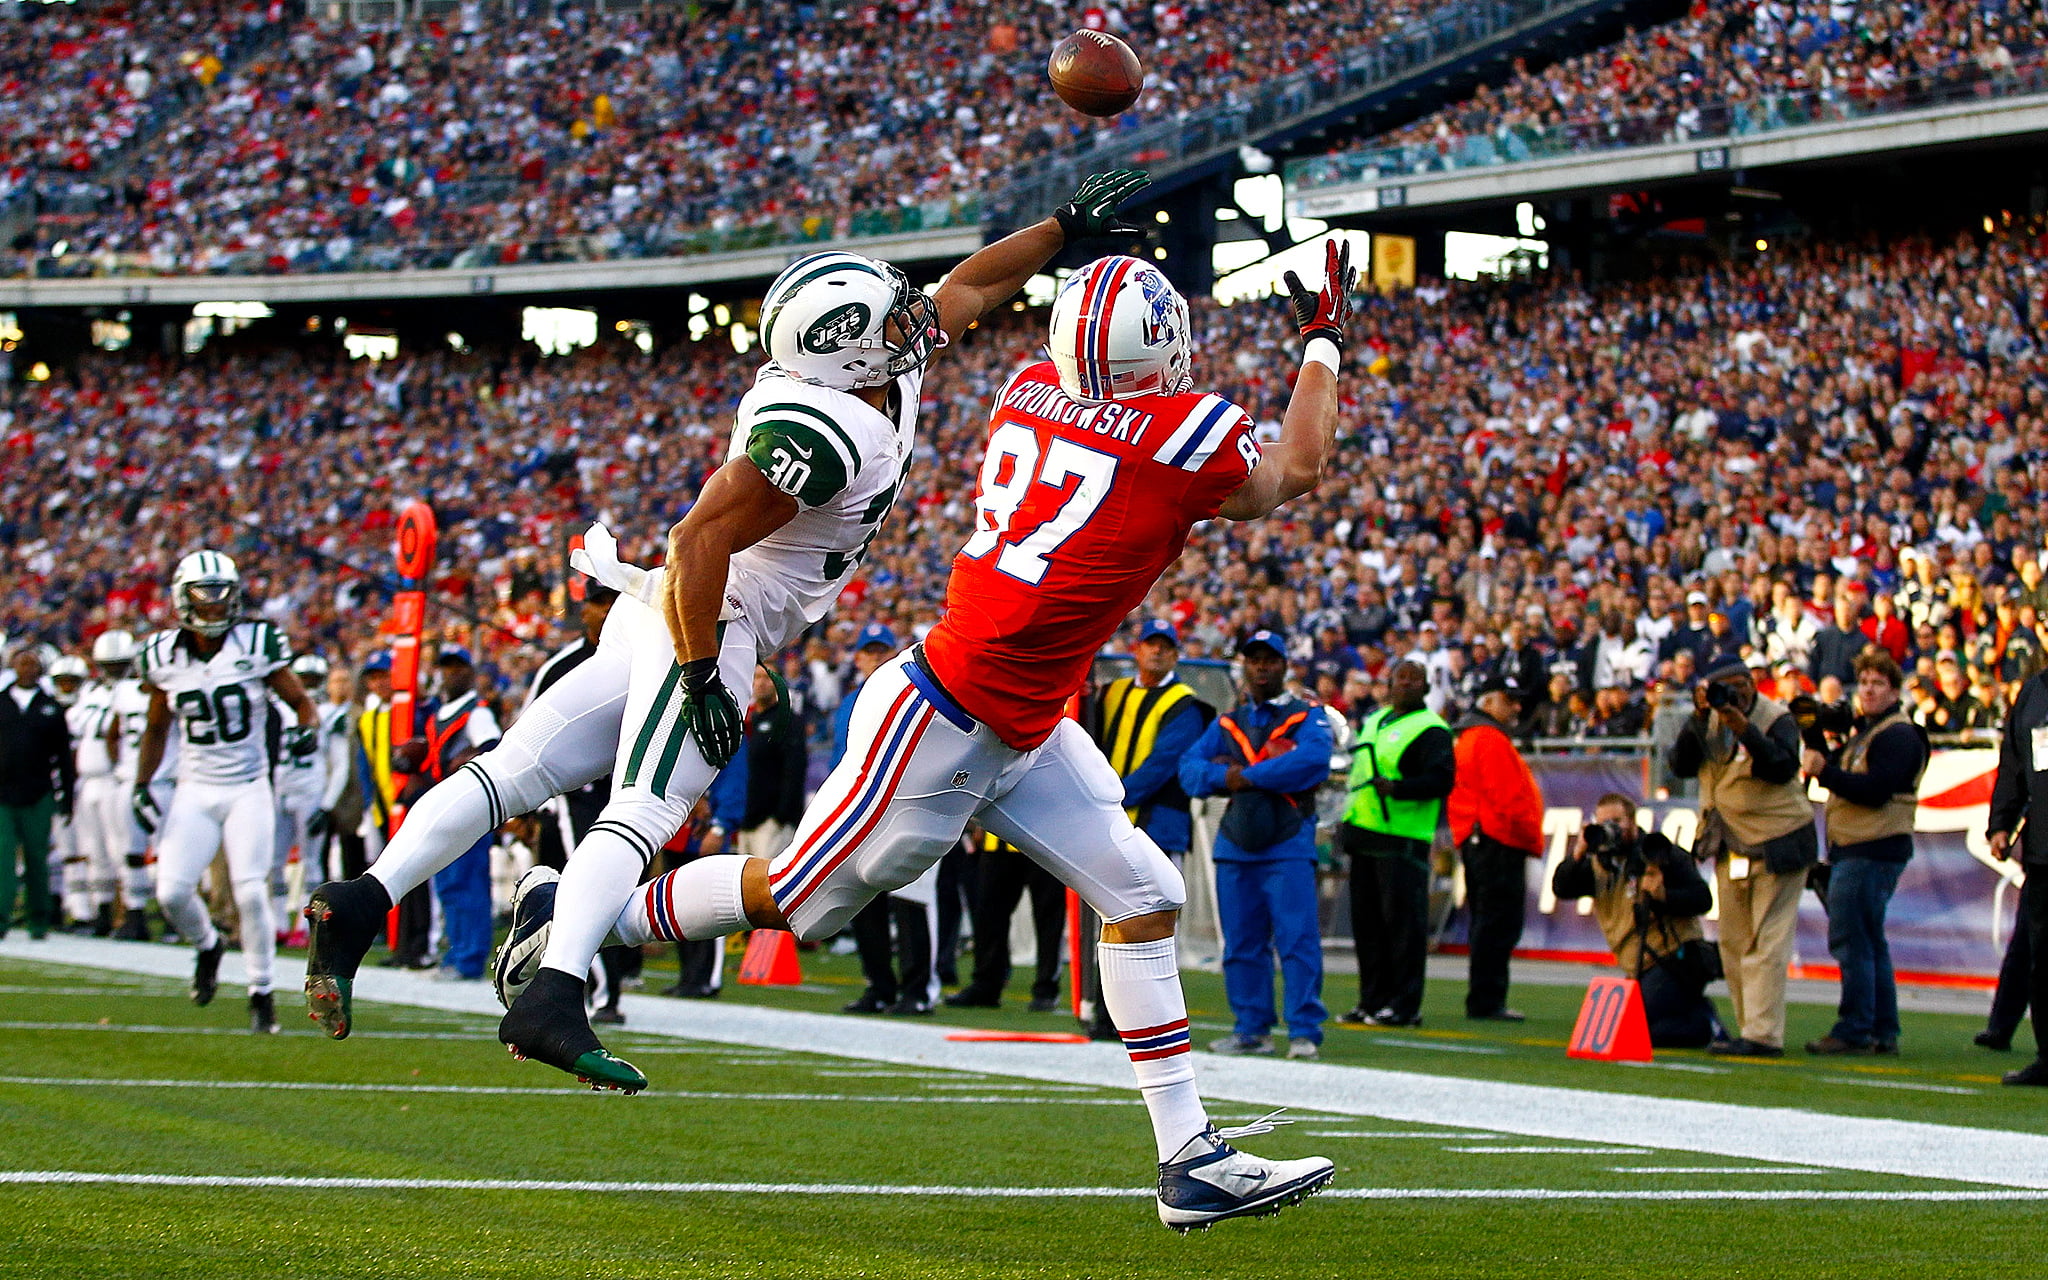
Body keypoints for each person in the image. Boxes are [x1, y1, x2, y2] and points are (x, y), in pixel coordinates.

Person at [600, 239, 1357, 1228]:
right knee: (794, 894)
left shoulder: (1029, 383)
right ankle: (587, 921)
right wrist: (1322, 344)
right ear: (1153, 355)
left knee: (1142, 892)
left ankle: (1188, 1157)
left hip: (1021, 718)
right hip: (940, 719)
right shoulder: (1183, 432)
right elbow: (1293, 465)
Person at [304, 171, 1138, 1049]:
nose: (914, 324)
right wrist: (705, 670)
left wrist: (1060, 226)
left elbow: (967, 287)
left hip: (683, 612)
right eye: (893, 320)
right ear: (848, 352)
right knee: (645, 810)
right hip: (708, 615)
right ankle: (554, 993)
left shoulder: (867, 373)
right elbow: (695, 542)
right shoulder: (826, 427)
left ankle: (360, 900)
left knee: (519, 769)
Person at [130, 551, 318, 1033]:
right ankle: (208, 944)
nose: (215, 605)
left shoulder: (256, 643)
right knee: (171, 891)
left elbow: (300, 702)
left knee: (251, 891)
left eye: (223, 594)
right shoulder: (162, 656)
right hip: (195, 788)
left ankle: (261, 990)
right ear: (182, 597)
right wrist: (141, 782)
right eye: (204, 594)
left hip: (249, 786)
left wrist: (304, 729)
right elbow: (155, 729)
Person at [1181, 629, 1333, 1059]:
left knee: (1297, 940)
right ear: (1244, 666)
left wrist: (1243, 776)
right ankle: (1251, 1029)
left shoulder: (1308, 715)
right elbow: (1189, 771)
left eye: (1270, 659)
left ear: (1285, 666)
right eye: (1254, 659)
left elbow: (1312, 762)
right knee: (1242, 943)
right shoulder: (1228, 721)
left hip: (1287, 842)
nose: (1262, 667)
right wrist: (1226, 778)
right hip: (1236, 843)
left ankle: (1304, 1031)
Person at [1668, 654, 1817, 1058]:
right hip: (1729, 843)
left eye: (1739, 685)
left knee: (1766, 942)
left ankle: (1763, 1034)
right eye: (1722, 687)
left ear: (1752, 684)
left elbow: (1782, 767)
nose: (1733, 695)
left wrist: (1745, 729)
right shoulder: (1709, 717)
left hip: (1778, 841)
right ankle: (1749, 1027)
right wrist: (1699, 717)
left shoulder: (1777, 718)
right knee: (1734, 943)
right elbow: (1679, 765)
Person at [1081, 617, 1214, 1034]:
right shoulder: (1110, 693)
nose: (1157, 652)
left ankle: (1152, 1016)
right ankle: (1106, 1009)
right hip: (1108, 819)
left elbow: (1163, 764)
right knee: (1105, 916)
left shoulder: (1186, 704)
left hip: (1152, 822)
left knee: (1151, 921)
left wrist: (1108, 797)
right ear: (1136, 649)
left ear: (1176, 654)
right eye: (1150, 645)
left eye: (1166, 646)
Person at [1803, 648, 1928, 1055]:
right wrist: (1815, 736)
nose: (1869, 691)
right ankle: (1881, 1029)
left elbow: (1874, 791)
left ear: (1895, 690)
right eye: (1866, 684)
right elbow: (1837, 768)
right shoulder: (1870, 731)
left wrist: (1826, 772)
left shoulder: (1898, 735)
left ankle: (1855, 1027)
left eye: (1879, 684)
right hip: (1860, 846)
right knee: (1869, 940)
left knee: (1852, 939)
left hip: (1872, 846)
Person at [1337, 659, 1454, 1027]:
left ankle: (1404, 1005)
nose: (1404, 684)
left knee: (1402, 927)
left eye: (1413, 679)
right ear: (1388, 683)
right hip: (1364, 833)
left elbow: (1441, 780)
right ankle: (1371, 1000)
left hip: (1402, 839)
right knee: (1367, 926)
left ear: (1425, 687)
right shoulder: (1374, 720)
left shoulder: (1431, 729)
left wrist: (1400, 789)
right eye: (1399, 678)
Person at [1551, 794, 1720, 1047]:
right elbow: (1562, 887)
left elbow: (1702, 899)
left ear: (1632, 821)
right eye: (1603, 823)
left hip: (1675, 957)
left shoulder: (1659, 854)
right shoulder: (1600, 865)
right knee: (1622, 1028)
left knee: (1640, 1032)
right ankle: (1694, 1010)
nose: (1611, 829)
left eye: (1617, 821)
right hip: (1640, 965)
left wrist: (1664, 896)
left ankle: (1705, 1025)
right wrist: (1579, 852)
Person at [839, 623, 942, 1016]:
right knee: (863, 902)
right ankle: (879, 985)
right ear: (859, 658)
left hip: (910, 808)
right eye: (871, 651)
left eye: (884, 650)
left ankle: (919, 989)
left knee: (912, 902)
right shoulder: (852, 702)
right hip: (860, 811)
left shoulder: (920, 695)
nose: (878, 658)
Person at [1448, 673, 1545, 1022]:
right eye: (1509, 700)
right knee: (1498, 922)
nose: (1517, 707)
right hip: (1496, 839)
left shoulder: (1474, 737)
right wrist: (1528, 834)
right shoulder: (1488, 738)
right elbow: (1508, 797)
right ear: (1488, 702)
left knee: (1489, 922)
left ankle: (1485, 997)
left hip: (1482, 838)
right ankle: (1487, 1000)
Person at [403, 645, 502, 982]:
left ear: (469, 672)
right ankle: (457, 951)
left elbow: (492, 746)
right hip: (445, 804)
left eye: (457, 667)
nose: (450, 674)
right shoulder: (438, 713)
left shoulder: (477, 711)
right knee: (448, 883)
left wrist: (468, 758)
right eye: (445, 667)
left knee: (466, 881)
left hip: (469, 805)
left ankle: (469, 957)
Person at [1988, 662, 2048, 1086]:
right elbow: (2013, 765)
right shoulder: (2034, 694)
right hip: (2044, 852)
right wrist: (2001, 823)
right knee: (2042, 960)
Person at [0, 642, 74, 941]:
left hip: (38, 792)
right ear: (13, 667)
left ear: (41, 669)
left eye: (32, 664)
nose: (27, 669)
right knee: (3, 859)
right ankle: (2, 917)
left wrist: (67, 796)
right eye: (22, 663)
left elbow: (64, 757)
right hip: (2, 793)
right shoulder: (1, 703)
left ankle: (38, 920)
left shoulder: (51, 707)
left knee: (36, 857)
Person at [271, 652, 336, 946]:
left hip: (311, 791)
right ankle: (277, 923)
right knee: (273, 863)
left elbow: (340, 764)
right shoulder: (279, 709)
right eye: (304, 679)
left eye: (314, 680)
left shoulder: (331, 712)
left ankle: (310, 925)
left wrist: (327, 804)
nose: (309, 685)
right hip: (279, 789)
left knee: (311, 863)